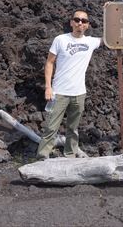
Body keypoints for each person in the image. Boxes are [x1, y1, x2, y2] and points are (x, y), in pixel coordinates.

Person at [35, 10, 102, 160]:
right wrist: (48, 87)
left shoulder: (91, 42)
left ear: (88, 25)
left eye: (84, 21)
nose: (80, 23)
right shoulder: (60, 40)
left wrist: (111, 11)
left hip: (79, 93)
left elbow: (111, 39)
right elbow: (49, 62)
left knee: (73, 128)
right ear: (71, 22)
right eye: (77, 20)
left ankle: (70, 157)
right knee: (51, 127)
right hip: (59, 92)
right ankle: (42, 158)